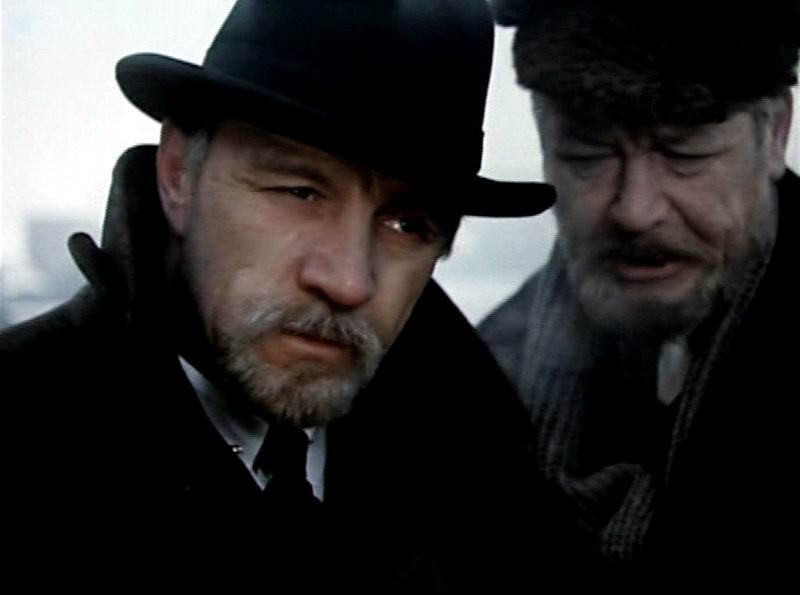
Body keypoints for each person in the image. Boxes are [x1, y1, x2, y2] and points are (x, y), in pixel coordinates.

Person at [1, 0, 560, 590]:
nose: (347, 282)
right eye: (299, 192)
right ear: (178, 174)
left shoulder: (486, 467)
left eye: (408, 225)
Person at [480, 0, 800, 579]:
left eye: (684, 153)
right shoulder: (470, 387)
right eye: (586, 154)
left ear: (775, 132)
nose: (635, 210)